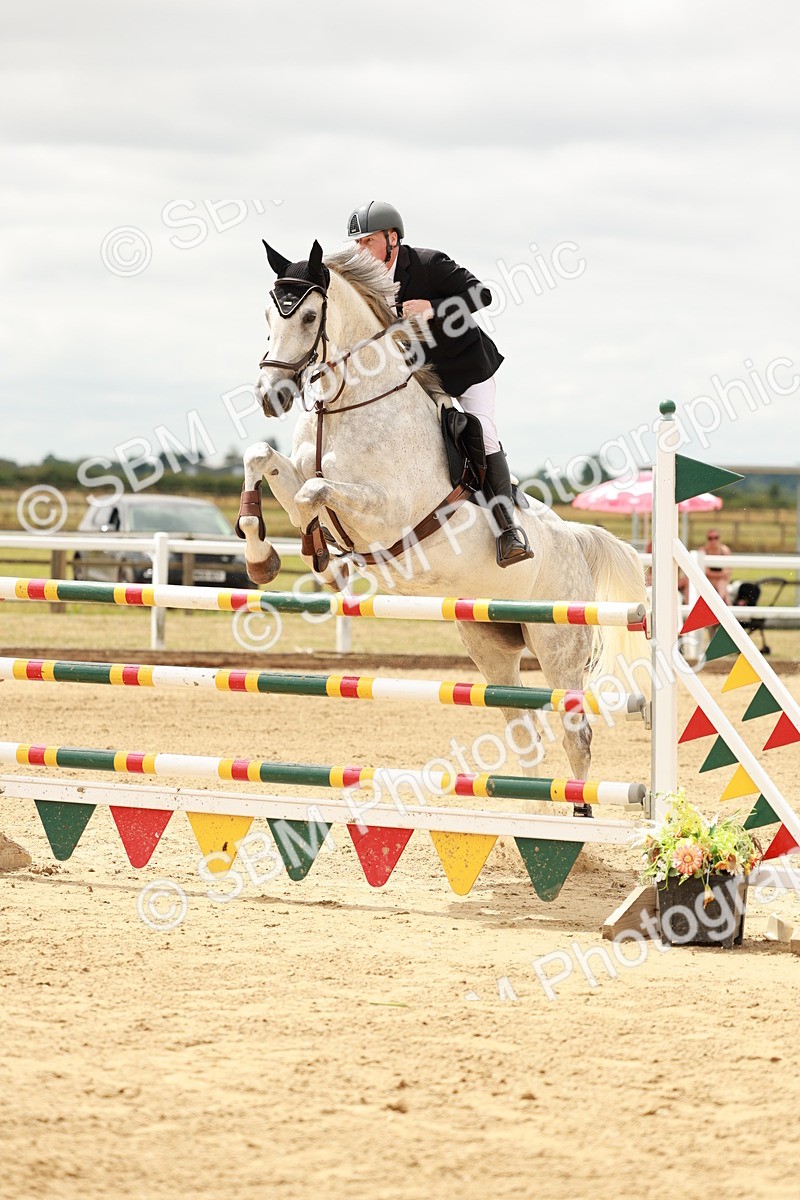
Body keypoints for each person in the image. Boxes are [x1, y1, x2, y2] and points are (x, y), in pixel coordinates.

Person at [345, 199, 533, 568]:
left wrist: (432, 307)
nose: (359, 249)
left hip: (468, 368)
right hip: (420, 374)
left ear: (392, 238)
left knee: (485, 433)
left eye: (366, 241)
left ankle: (507, 527)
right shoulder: (364, 283)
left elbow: (482, 295)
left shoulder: (429, 263)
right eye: (356, 243)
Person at [698, 528, 732, 601]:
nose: (713, 541)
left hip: (720, 581)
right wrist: (720, 574)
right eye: (710, 538)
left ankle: (720, 603)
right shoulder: (703, 551)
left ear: (719, 538)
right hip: (707, 580)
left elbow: (728, 572)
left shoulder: (724, 551)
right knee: (722, 583)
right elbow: (705, 572)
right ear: (707, 539)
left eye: (716, 538)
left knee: (722, 583)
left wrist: (714, 575)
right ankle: (721, 604)